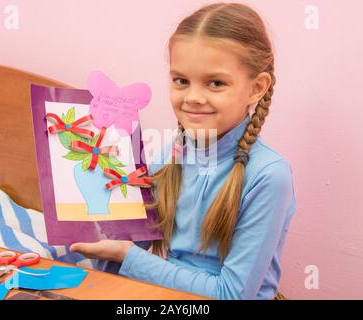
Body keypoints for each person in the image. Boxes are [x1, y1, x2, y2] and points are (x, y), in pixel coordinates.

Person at [70, 2, 297, 300]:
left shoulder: (269, 176)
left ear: (256, 88)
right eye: (181, 81)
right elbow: (124, 252)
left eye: (215, 83)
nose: (193, 97)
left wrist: (129, 257)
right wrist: (95, 220)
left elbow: (232, 294)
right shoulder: (168, 157)